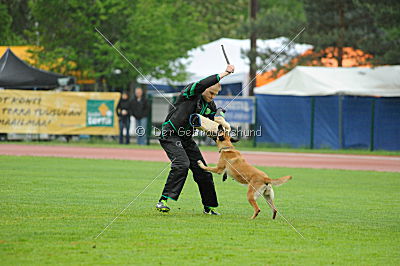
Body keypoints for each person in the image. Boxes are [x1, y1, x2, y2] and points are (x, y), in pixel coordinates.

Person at [156, 64, 235, 215]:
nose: (212, 96)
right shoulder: (190, 93)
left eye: (215, 94)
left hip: (186, 138)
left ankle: (209, 207)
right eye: (211, 93)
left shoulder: (209, 104)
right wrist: (225, 73)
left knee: (204, 171)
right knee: (182, 164)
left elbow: (217, 114)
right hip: (170, 134)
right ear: (205, 88)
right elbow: (202, 83)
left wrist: (222, 121)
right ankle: (163, 201)